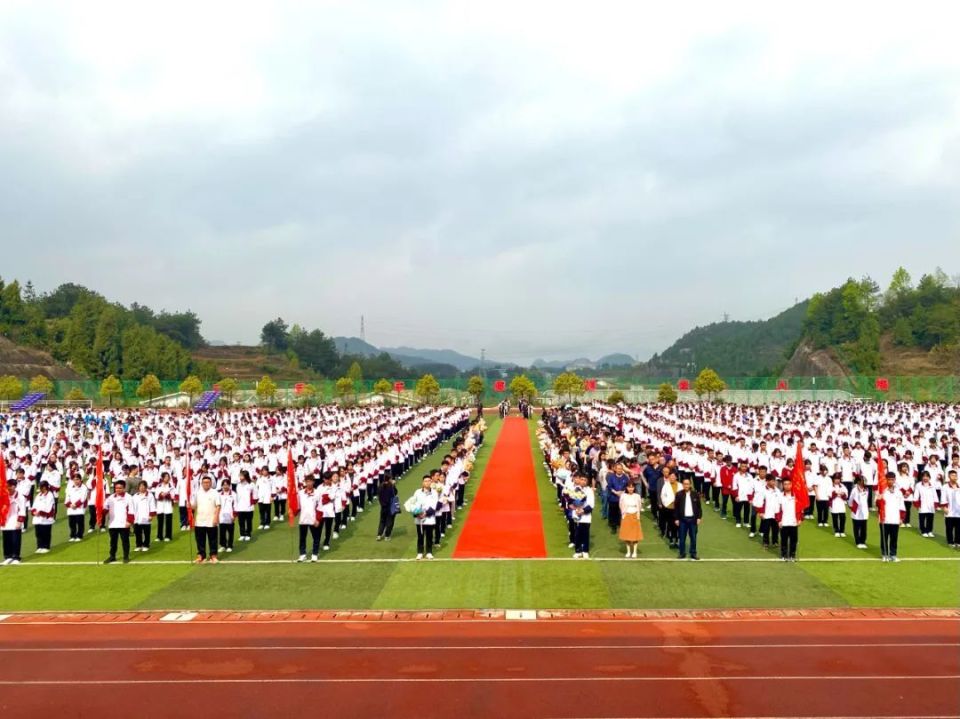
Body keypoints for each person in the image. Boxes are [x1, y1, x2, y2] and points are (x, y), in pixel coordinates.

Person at [406, 476, 438, 560]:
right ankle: (420, 552)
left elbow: (434, 505)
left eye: (429, 481)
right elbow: (413, 503)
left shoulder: (434, 492)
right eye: (425, 481)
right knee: (420, 536)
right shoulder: (417, 492)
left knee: (429, 536)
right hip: (419, 518)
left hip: (429, 518)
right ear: (423, 483)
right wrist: (417, 513)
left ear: (431, 482)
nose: (427, 482)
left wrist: (425, 513)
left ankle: (429, 552)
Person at [103, 479, 134, 564]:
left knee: (125, 541)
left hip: (124, 523)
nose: (118, 490)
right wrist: (101, 511)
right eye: (116, 488)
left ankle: (126, 556)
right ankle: (112, 556)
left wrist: (129, 521)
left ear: (124, 488)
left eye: (120, 488)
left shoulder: (128, 497)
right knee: (113, 542)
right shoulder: (110, 498)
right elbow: (106, 508)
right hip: (113, 523)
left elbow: (131, 510)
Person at [192, 475, 221, 564]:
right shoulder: (198, 493)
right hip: (200, 520)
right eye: (204, 482)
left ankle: (213, 556)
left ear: (211, 483)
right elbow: (194, 506)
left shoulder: (215, 493)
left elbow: (218, 506)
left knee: (213, 539)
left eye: (208, 482)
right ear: (201, 483)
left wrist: (216, 517)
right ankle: (201, 556)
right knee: (200, 540)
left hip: (211, 520)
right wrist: (189, 505)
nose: (206, 484)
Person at [878, 472, 905, 562]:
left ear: (895, 480)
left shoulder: (899, 492)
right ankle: (884, 554)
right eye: (889, 479)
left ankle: (893, 555)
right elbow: (877, 505)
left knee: (894, 538)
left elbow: (902, 506)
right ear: (886, 480)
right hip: (884, 519)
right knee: (884, 538)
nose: (890, 481)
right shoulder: (882, 491)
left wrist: (901, 518)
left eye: (892, 479)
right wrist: (879, 499)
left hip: (895, 519)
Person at [673, 477, 702, 560]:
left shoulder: (695, 494)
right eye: (684, 484)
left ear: (690, 485)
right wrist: (676, 519)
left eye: (687, 484)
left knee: (693, 537)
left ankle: (693, 553)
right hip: (682, 520)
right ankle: (682, 553)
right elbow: (676, 508)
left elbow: (699, 508)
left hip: (693, 520)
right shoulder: (679, 494)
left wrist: (699, 517)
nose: (686, 485)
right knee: (682, 538)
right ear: (683, 485)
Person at [296, 475, 321, 562]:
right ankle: (302, 554)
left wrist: (318, 519)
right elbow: (298, 505)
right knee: (302, 538)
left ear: (313, 482)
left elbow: (320, 507)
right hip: (303, 519)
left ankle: (315, 554)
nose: (309, 483)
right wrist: (293, 512)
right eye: (307, 481)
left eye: (310, 481)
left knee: (316, 537)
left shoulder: (317, 493)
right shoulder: (300, 493)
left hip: (313, 519)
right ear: (305, 482)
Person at [2, 478, 27, 565]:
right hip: (6, 520)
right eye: (7, 486)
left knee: (15, 539)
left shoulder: (20, 497)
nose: (8, 488)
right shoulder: (4, 496)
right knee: (6, 539)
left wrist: (19, 521)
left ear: (14, 486)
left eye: (9, 486)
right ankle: (7, 557)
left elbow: (22, 510)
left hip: (15, 520)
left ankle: (16, 557)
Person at [570, 474, 594, 559]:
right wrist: (574, 508)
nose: (583, 481)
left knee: (585, 534)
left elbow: (591, 504)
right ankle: (578, 551)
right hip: (577, 515)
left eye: (585, 480)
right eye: (582, 479)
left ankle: (585, 551)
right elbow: (571, 501)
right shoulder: (575, 489)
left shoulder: (589, 491)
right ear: (579, 480)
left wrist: (582, 511)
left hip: (586, 516)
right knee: (577, 534)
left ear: (587, 481)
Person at [777, 478, 801, 562]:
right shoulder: (780, 495)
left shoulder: (796, 496)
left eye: (789, 484)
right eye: (785, 484)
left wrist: (799, 519)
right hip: (784, 522)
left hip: (794, 522)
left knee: (794, 540)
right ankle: (784, 555)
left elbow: (800, 509)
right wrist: (779, 520)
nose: (787, 486)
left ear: (791, 485)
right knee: (784, 540)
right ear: (782, 485)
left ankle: (792, 555)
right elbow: (778, 509)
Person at [618, 481, 643, 558]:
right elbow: (620, 505)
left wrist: (637, 515)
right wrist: (624, 514)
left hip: (635, 516)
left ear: (634, 488)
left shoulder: (637, 496)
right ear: (627, 488)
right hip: (626, 516)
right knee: (627, 535)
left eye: (632, 487)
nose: (631, 489)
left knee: (635, 535)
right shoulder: (623, 496)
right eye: (629, 487)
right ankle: (628, 551)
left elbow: (639, 506)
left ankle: (634, 552)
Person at [30, 480, 56, 554]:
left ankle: (46, 547)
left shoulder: (50, 495)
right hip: (37, 518)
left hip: (46, 518)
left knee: (46, 533)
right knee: (38, 533)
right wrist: (34, 511)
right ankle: (39, 546)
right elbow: (34, 505)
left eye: (41, 487)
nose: (40, 488)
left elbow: (49, 507)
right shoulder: (39, 495)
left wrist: (41, 512)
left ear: (45, 487)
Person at [131, 480, 156, 552]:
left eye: (143, 486)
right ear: (138, 487)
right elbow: (132, 506)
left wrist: (151, 515)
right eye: (140, 486)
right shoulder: (135, 496)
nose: (142, 488)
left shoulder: (150, 496)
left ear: (146, 487)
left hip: (146, 516)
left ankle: (146, 545)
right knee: (137, 532)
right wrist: (132, 516)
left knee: (146, 532)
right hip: (137, 517)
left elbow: (152, 505)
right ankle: (138, 545)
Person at [64, 473, 89, 542]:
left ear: (80, 480)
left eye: (77, 479)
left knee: (80, 523)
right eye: (74, 479)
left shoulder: (84, 487)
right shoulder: (69, 487)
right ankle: (73, 536)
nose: (76, 481)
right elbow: (67, 498)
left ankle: (79, 535)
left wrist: (75, 505)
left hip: (79, 508)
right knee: (72, 523)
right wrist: (70, 505)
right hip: (71, 508)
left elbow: (83, 498)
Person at [605, 462, 629, 532]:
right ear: (615, 469)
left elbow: (627, 486)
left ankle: (620, 523)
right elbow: (609, 486)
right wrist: (616, 492)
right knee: (613, 512)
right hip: (613, 498)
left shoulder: (625, 477)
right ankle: (613, 526)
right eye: (618, 469)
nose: (619, 470)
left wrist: (623, 492)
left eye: (621, 469)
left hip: (622, 498)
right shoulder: (611, 477)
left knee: (621, 512)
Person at [848, 476, 870, 549]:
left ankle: (863, 541)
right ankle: (858, 542)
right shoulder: (854, 490)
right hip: (856, 511)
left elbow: (865, 500)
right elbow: (850, 500)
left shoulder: (866, 489)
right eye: (862, 480)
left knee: (864, 528)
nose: (864, 482)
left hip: (864, 511)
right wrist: (852, 507)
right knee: (857, 527)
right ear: (858, 482)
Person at [154, 472, 176, 542]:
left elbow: (173, 495)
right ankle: (159, 536)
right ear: (162, 478)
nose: (167, 478)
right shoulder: (159, 486)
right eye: (166, 477)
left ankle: (168, 536)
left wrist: (167, 495)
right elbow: (156, 495)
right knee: (160, 521)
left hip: (168, 504)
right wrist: (161, 494)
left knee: (168, 521)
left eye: (168, 477)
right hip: (160, 505)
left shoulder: (171, 486)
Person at [377, 474, 398, 541]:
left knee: (382, 521)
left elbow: (379, 495)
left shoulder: (380, 486)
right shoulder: (390, 486)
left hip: (383, 506)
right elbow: (395, 493)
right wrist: (394, 485)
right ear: (389, 479)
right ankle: (387, 536)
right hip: (390, 506)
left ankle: (379, 535)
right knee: (390, 521)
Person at [943, 469, 960, 548]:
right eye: (952, 475)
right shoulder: (945, 487)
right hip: (949, 511)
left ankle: (958, 541)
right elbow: (943, 498)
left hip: (958, 511)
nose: (954, 477)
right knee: (949, 528)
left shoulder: (959, 486)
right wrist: (944, 507)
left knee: (958, 528)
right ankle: (950, 541)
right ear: (949, 476)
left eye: (955, 475)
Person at [218, 479, 236, 553]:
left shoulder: (233, 494)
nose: (225, 486)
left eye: (227, 485)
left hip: (230, 515)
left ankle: (230, 545)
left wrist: (234, 515)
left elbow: (235, 505)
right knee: (222, 532)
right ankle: (223, 545)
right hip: (221, 516)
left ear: (229, 485)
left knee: (230, 532)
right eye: (224, 485)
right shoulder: (219, 494)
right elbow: (217, 505)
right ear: (222, 486)